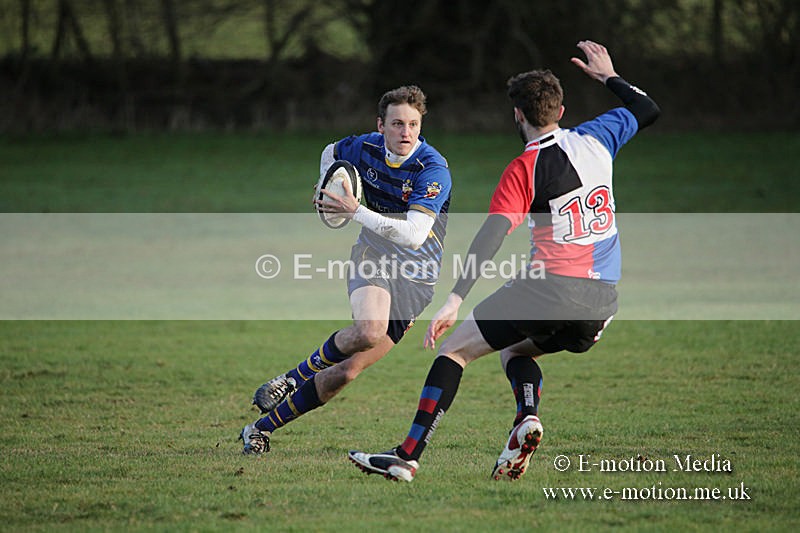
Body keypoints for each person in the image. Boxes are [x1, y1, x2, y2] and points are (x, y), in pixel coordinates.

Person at [348, 40, 660, 482]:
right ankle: (526, 417)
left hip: (549, 290)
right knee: (514, 349)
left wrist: (455, 298)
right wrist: (609, 77)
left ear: (517, 115)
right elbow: (647, 109)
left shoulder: (524, 168)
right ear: (561, 110)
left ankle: (406, 457)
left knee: (454, 351)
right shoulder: (598, 136)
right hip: (602, 304)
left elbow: (491, 236)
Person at [240, 85, 452, 454]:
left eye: (413, 125)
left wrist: (355, 211)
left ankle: (258, 429)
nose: (406, 132)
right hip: (374, 255)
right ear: (380, 125)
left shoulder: (432, 169)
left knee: (346, 372)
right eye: (397, 124)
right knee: (370, 330)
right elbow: (331, 152)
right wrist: (327, 187)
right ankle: (290, 379)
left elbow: (415, 235)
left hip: (416, 282)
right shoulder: (364, 147)